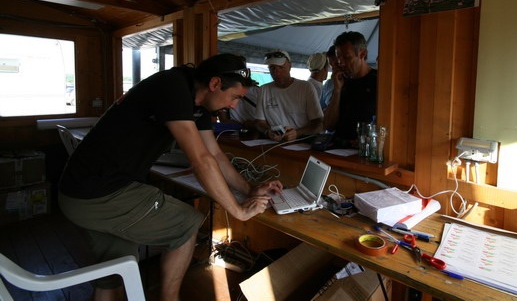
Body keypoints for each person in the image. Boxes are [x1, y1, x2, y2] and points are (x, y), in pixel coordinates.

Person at [58, 53, 283, 301]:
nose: (234, 106)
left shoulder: (199, 104)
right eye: (235, 97)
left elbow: (215, 155)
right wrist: (238, 211)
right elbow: (201, 160)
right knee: (186, 224)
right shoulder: (173, 86)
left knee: (116, 272)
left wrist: (249, 189)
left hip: (80, 192)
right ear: (215, 83)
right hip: (101, 192)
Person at [255, 49, 323, 141]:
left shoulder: (306, 87)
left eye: (281, 67)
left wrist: (297, 133)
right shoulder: (263, 90)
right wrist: (268, 131)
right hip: (275, 142)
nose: (276, 72)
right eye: (272, 68)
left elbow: (319, 123)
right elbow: (259, 122)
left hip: (302, 141)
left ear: (290, 66)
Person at [323, 31, 377, 145]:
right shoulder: (341, 81)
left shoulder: (378, 82)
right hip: (338, 147)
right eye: (339, 58)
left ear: (362, 54)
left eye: (347, 57)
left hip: (363, 149)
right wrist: (337, 90)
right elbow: (329, 125)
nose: (341, 63)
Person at [320, 45, 341, 110]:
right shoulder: (329, 84)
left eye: (337, 64)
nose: (333, 68)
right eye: (331, 65)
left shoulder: (355, 83)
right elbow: (321, 109)